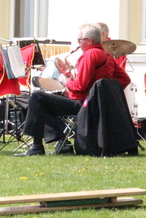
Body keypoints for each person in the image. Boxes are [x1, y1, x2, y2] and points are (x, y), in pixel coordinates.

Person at [15, 23, 132, 156]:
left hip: (83, 104)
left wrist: (68, 82)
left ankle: (39, 146)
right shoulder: (107, 56)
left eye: (79, 40)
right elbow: (125, 79)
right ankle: (62, 143)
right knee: (44, 104)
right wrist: (106, 96)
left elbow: (80, 86)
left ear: (89, 41)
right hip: (95, 104)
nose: (78, 43)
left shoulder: (89, 55)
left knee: (37, 98)